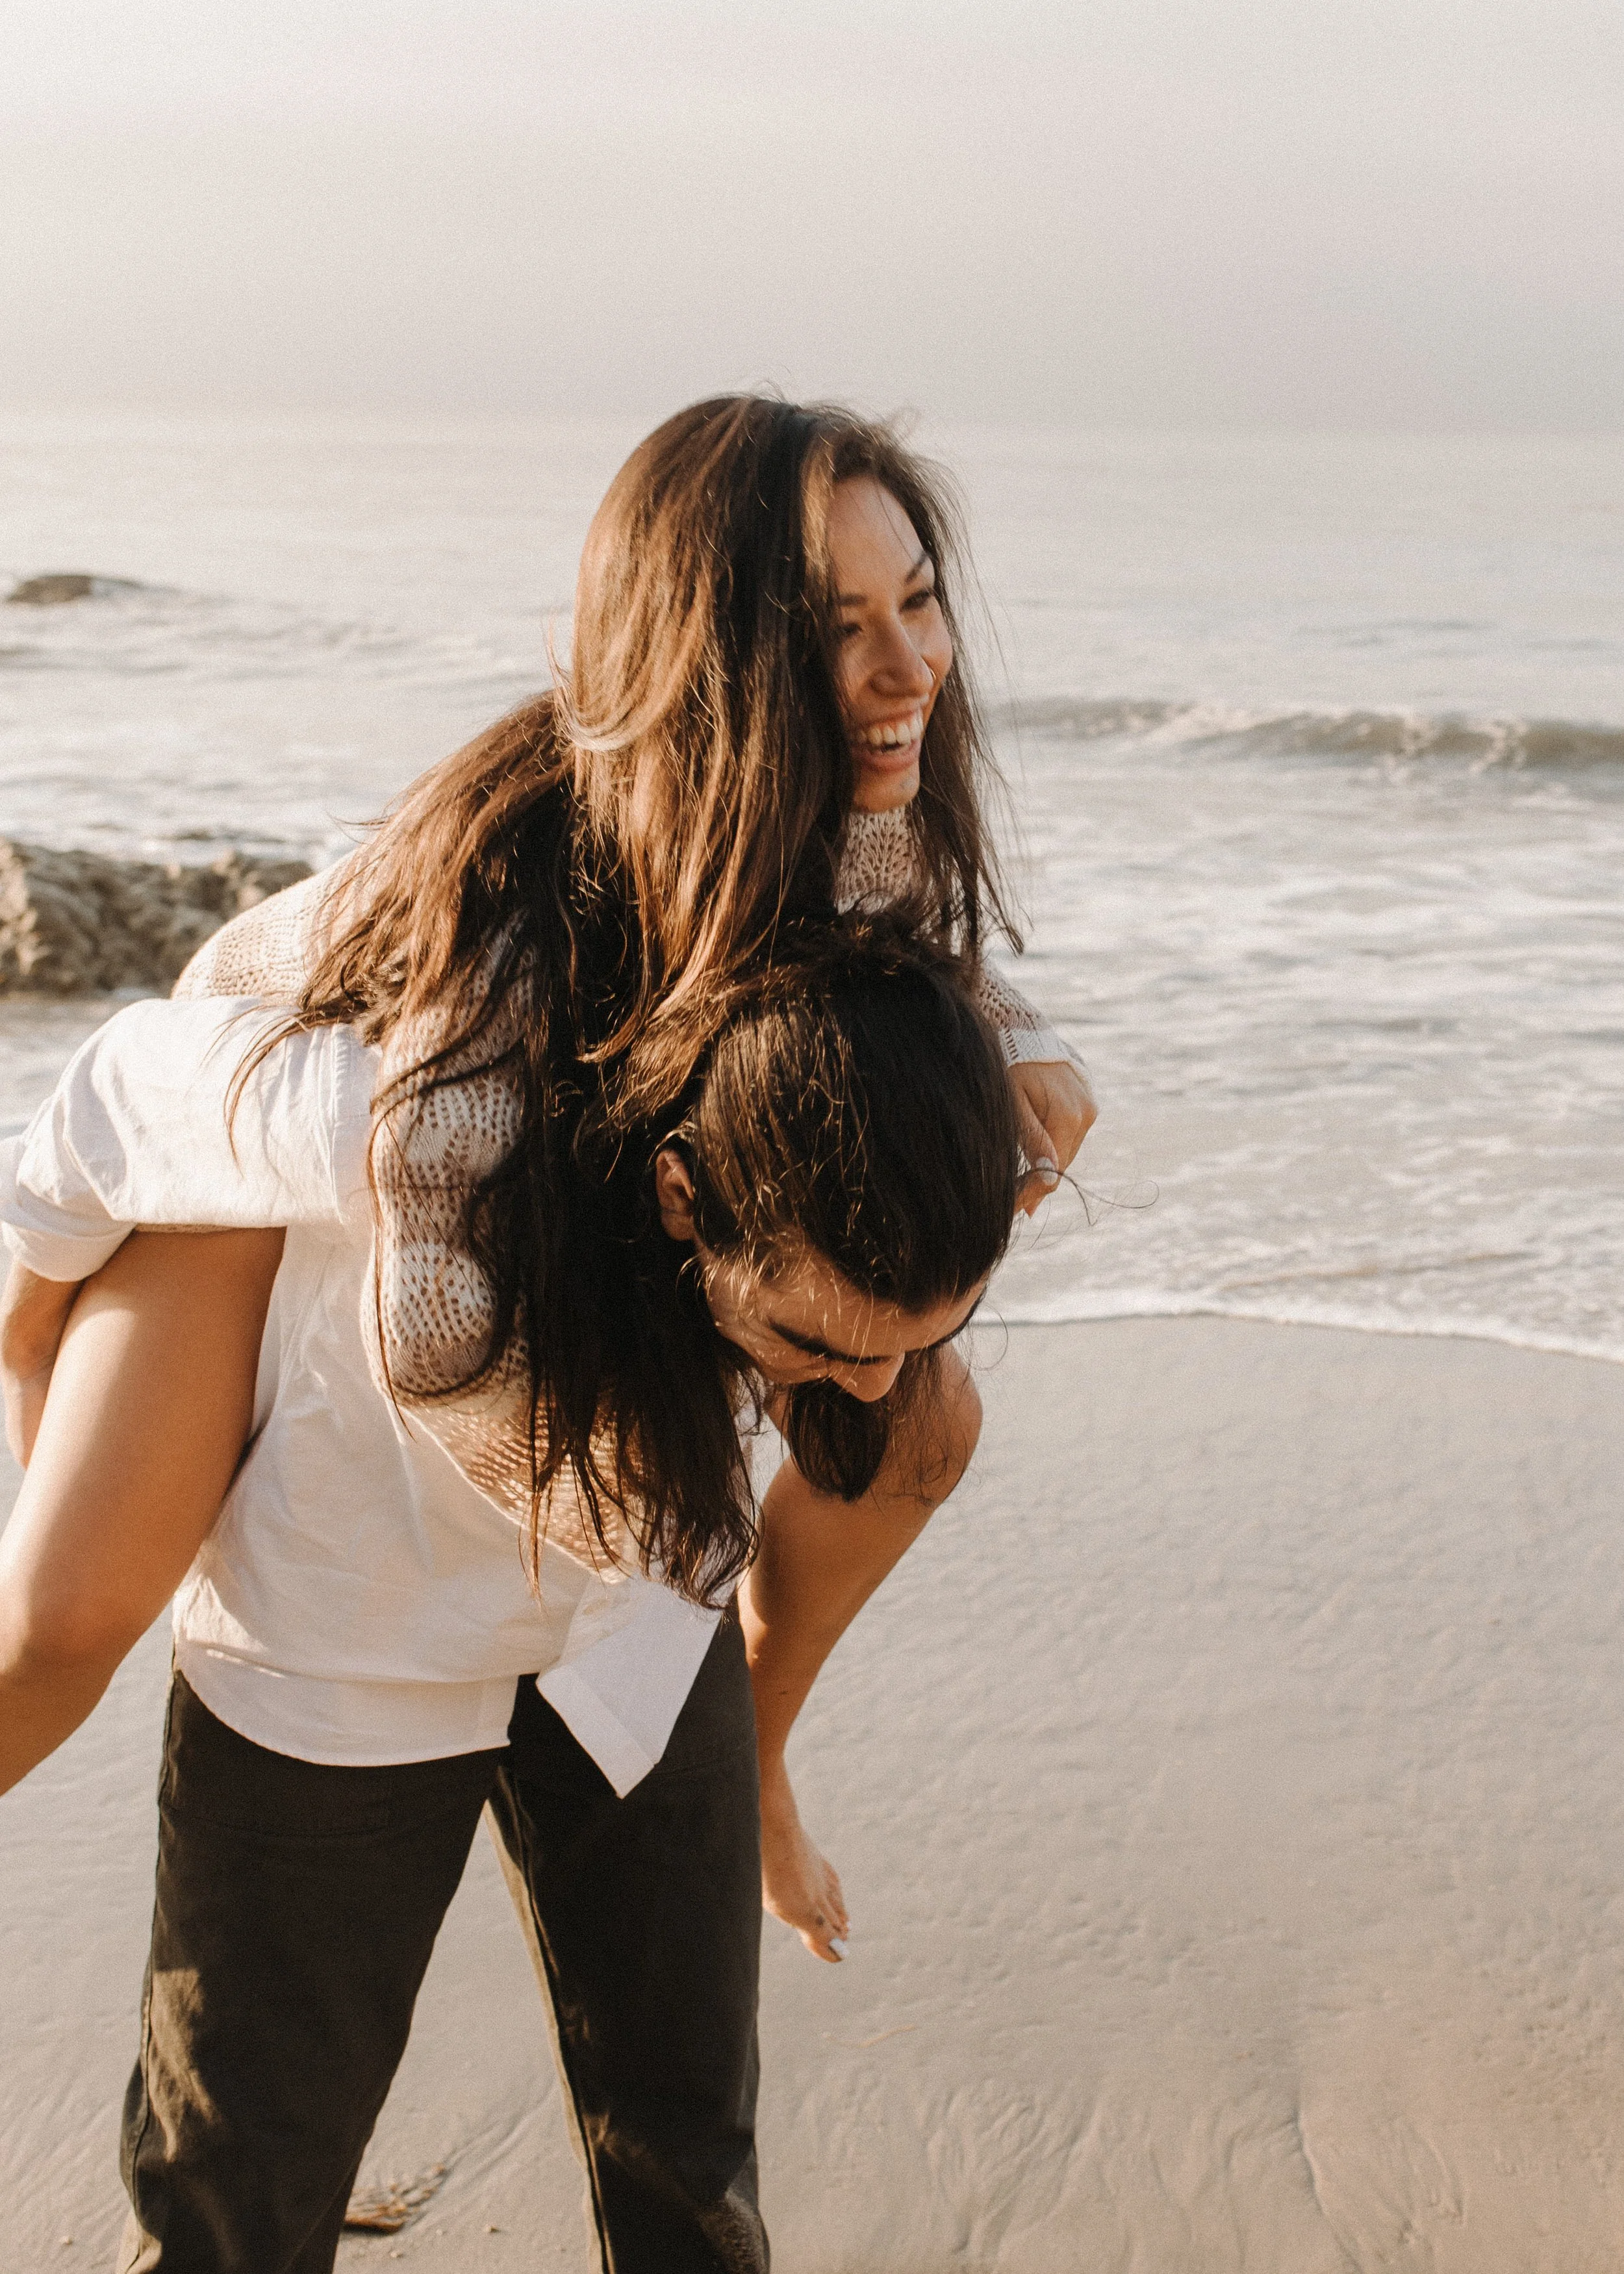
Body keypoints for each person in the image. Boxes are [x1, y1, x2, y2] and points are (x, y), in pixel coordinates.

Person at [0, 926, 1020, 2273]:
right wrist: (28, 1347)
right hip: (344, 1645)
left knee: (691, 2168)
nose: (868, 1388)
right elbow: (121, 1085)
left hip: (637, 1635)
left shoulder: (858, 1094)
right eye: (820, 1345)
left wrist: (758, 1759)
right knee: (238, 2201)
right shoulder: (410, 1111)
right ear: (679, 1195)